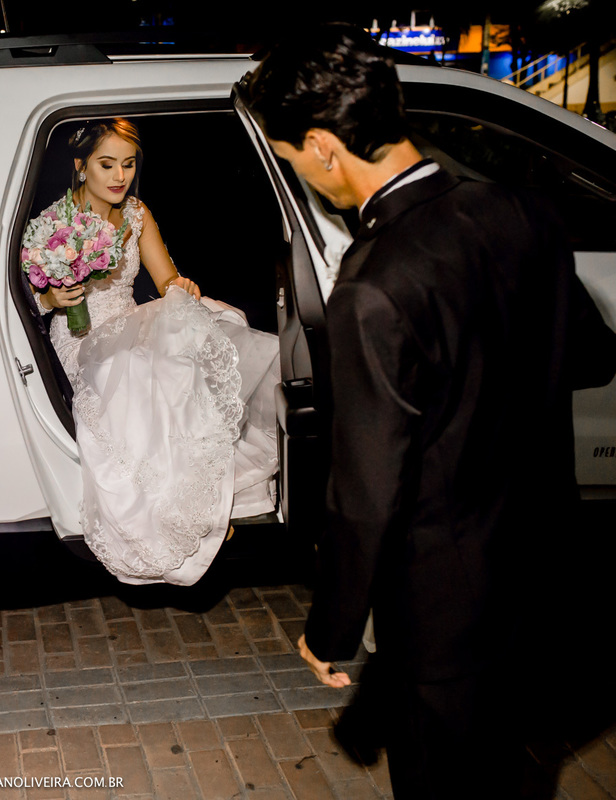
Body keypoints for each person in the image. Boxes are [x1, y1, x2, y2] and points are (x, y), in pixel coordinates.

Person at [246, 24, 616, 797]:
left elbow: (368, 488)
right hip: (543, 575)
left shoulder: (373, 281)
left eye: (290, 160)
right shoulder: (522, 212)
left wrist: (332, 625)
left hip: (445, 617)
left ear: (322, 146)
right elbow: (590, 355)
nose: (305, 177)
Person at [29, 118, 279, 585]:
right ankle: (165, 514)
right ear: (82, 166)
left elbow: (166, 281)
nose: (119, 175)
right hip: (79, 335)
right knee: (132, 367)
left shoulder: (139, 214)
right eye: (107, 164)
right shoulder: (52, 224)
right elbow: (33, 296)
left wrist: (179, 287)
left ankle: (198, 502)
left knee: (207, 333)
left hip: (127, 318)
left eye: (127, 164)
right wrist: (50, 298)